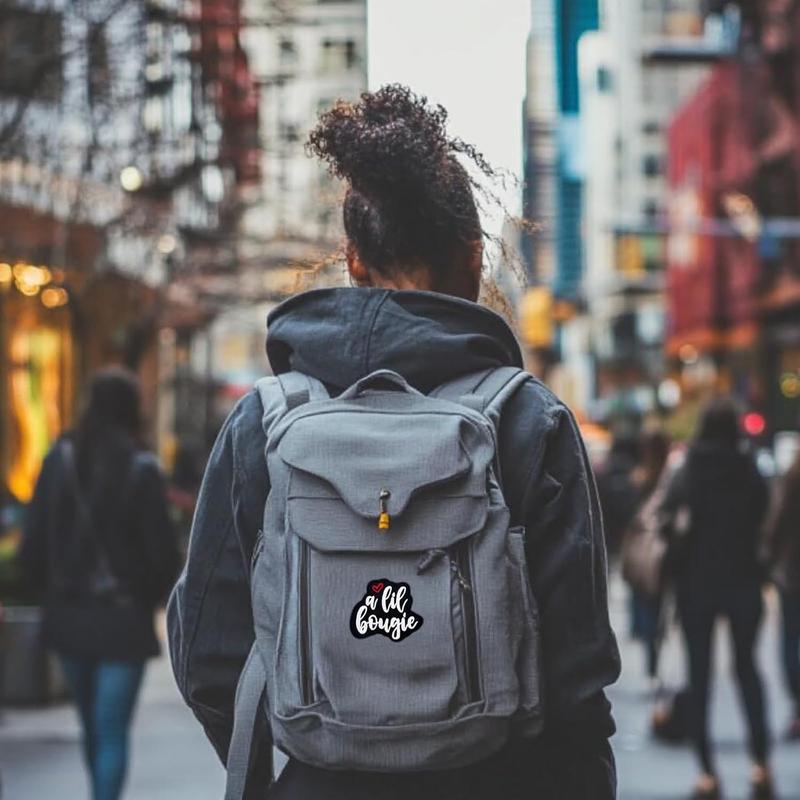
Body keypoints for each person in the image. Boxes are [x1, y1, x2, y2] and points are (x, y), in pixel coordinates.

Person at [167, 85, 620, 800]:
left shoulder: (267, 421)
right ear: (474, 260)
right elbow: (580, 675)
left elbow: (206, 653)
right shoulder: (530, 422)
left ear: (352, 260)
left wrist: (308, 757)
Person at [20, 367, 180, 800]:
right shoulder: (142, 468)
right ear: (132, 410)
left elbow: (31, 545)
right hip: (122, 618)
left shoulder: (59, 459)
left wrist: (49, 591)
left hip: (68, 613)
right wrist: (152, 596)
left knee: (90, 724)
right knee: (112, 730)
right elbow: (163, 556)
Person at [660, 399, 772, 800]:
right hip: (743, 579)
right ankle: (760, 766)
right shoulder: (749, 468)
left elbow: (667, 518)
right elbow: (765, 516)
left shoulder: (688, 468)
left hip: (697, 583)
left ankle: (707, 773)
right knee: (747, 670)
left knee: (700, 676)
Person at [624, 430, 671, 689]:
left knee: (644, 602)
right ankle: (652, 660)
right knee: (656, 607)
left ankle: (645, 642)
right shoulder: (670, 479)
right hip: (661, 554)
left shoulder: (638, 478)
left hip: (641, 552)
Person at [765, 447, 800, 740]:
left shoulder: (793, 475)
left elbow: (777, 520)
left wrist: (770, 557)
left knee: (790, 640)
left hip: (793, 574)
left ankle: (798, 706)